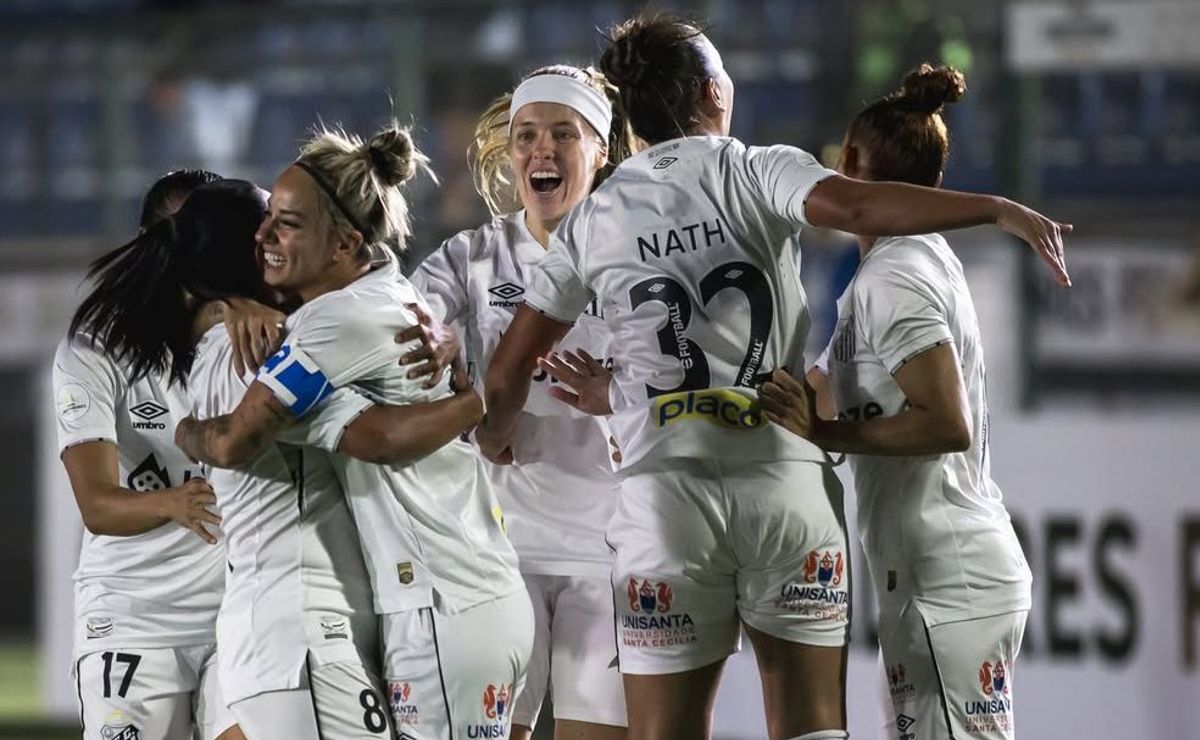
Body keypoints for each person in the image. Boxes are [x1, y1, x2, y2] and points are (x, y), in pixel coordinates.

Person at [479, 13, 1069, 740]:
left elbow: (508, 372)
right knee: (811, 729)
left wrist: (499, 436)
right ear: (711, 94)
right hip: (784, 485)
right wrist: (996, 209)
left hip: (666, 501)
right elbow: (859, 204)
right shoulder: (759, 169)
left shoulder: (591, 220)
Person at [173, 122, 534, 740]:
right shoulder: (384, 285)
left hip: (440, 603)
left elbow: (234, 442)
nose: (263, 235)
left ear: (344, 243)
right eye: (267, 218)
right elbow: (371, 425)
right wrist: (234, 301)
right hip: (466, 594)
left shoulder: (331, 325)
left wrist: (184, 432)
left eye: (286, 223)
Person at [758, 64, 1033, 740]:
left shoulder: (895, 277)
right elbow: (815, 388)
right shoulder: (897, 268)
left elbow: (946, 422)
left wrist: (827, 436)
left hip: (949, 576)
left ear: (849, 165)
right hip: (929, 576)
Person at [409, 64, 635, 740]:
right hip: (496, 553)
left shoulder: (637, 257)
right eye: (527, 135)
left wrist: (618, 396)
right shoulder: (472, 257)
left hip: (610, 549)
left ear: (601, 150)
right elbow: (401, 331)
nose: (543, 150)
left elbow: (689, 378)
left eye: (564, 134)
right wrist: (448, 363)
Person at [54, 168, 242, 740]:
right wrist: (172, 503)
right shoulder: (94, 347)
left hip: (238, 612)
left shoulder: (251, 328)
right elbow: (97, 506)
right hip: (134, 617)